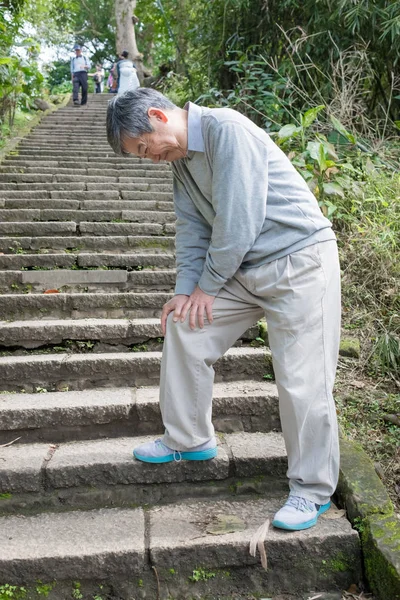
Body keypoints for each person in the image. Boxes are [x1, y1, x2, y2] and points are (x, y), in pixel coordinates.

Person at [106, 88, 341, 533]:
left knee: (302, 378)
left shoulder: (226, 130)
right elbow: (193, 228)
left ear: (158, 116)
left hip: (299, 262)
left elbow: (239, 221)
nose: (147, 157)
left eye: (142, 148)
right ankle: (189, 438)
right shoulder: (180, 161)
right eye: (138, 155)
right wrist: (185, 289)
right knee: (185, 325)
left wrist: (207, 287)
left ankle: (311, 491)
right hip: (242, 268)